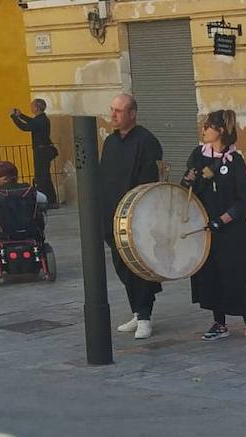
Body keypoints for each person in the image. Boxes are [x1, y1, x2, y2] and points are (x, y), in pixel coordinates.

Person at [182, 109, 246, 341]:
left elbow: (244, 198)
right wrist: (187, 181)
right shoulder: (198, 155)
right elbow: (190, 187)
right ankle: (219, 323)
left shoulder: (235, 161)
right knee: (211, 274)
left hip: (231, 230)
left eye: (208, 126)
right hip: (206, 228)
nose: (204, 129)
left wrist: (223, 219)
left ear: (221, 130)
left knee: (236, 274)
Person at [98, 93, 163, 340]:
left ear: (132, 114)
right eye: (112, 110)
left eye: (119, 111)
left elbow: (149, 180)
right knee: (122, 265)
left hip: (137, 216)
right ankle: (137, 311)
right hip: (111, 216)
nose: (113, 115)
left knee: (139, 265)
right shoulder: (110, 142)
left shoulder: (147, 141)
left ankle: (145, 316)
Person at [11, 99, 59, 208]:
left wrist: (14, 117)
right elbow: (32, 122)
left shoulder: (40, 121)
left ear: (37, 108)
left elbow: (25, 127)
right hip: (43, 150)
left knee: (41, 177)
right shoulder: (41, 119)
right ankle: (51, 200)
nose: (31, 108)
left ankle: (46, 200)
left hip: (41, 151)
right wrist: (21, 115)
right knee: (45, 175)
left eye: (32, 106)